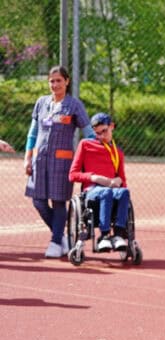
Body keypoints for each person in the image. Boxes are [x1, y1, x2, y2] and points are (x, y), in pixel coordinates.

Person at [24, 65, 95, 258]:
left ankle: (56, 242)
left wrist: (95, 153)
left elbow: (88, 133)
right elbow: (33, 133)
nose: (55, 85)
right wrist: (27, 158)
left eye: (59, 81)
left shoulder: (74, 105)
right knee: (38, 201)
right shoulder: (41, 103)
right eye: (52, 81)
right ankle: (60, 235)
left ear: (67, 82)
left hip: (62, 164)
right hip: (40, 161)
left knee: (58, 202)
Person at [68, 113, 131, 252]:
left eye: (104, 131)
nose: (101, 136)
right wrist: (95, 178)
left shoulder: (117, 152)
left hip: (110, 189)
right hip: (92, 190)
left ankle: (118, 234)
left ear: (112, 126)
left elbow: (122, 180)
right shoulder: (85, 144)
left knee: (124, 192)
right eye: (97, 133)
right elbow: (72, 175)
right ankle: (104, 236)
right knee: (106, 191)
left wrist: (119, 181)